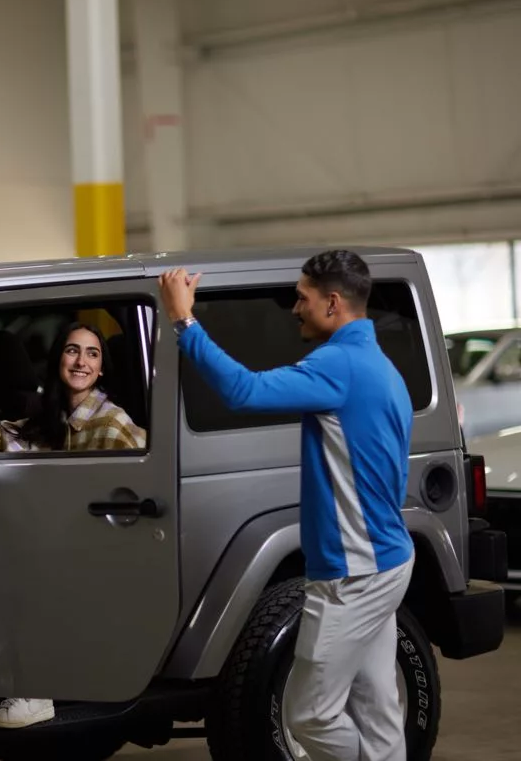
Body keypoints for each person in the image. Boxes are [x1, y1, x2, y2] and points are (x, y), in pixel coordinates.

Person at [158, 250, 415, 761]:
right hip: (388, 562)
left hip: (353, 574)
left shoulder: (338, 364)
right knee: (378, 710)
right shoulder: (383, 368)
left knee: (309, 715)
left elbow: (243, 391)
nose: (294, 308)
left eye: (302, 298)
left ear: (333, 303)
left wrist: (184, 321)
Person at [0, 321, 146, 729]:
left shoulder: (113, 423)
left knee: (28, 571)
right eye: (72, 350)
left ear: (102, 368)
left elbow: (147, 483)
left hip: (101, 550)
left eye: (92, 353)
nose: (81, 361)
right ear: (58, 360)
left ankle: (36, 692)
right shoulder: (45, 420)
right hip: (53, 542)